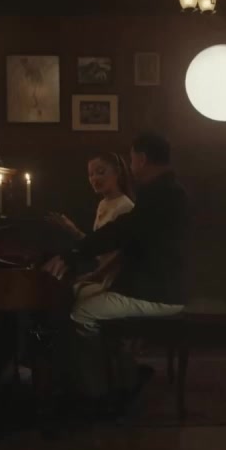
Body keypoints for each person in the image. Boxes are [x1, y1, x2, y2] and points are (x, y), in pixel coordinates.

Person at [42, 131, 189, 408]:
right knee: (81, 297)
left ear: (141, 159)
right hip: (156, 286)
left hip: (158, 292)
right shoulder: (166, 191)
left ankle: (98, 394)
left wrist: (74, 253)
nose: (131, 166)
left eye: (132, 160)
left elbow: (121, 232)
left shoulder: (161, 195)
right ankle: (116, 377)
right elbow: (127, 237)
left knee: (80, 313)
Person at [45, 153, 135, 299]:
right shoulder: (103, 204)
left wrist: (93, 276)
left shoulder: (125, 207)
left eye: (101, 172)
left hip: (116, 280)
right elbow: (98, 246)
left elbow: (119, 256)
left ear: (117, 172)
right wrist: (72, 229)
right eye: (91, 174)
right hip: (101, 275)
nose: (94, 178)